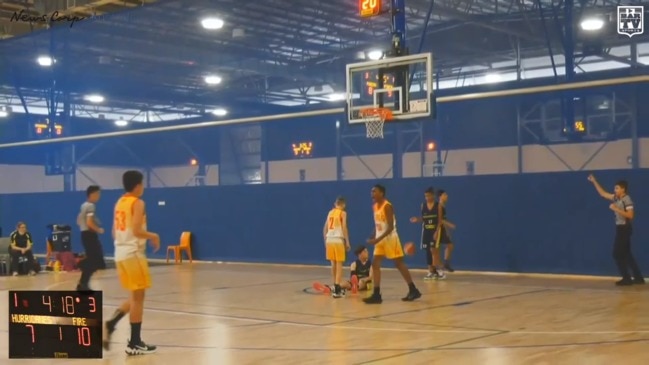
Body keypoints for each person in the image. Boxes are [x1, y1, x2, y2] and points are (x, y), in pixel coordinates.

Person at [103, 170, 160, 355]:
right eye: (142, 184)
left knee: (136, 297)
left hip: (120, 253)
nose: (143, 187)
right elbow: (136, 230)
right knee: (138, 298)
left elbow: (113, 232)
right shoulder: (138, 202)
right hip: (133, 253)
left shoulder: (120, 202)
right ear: (137, 185)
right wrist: (153, 235)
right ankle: (134, 342)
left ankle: (111, 324)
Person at [364, 184, 421, 304]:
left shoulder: (387, 206)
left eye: (374, 191)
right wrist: (373, 234)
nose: (372, 193)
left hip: (390, 238)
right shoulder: (375, 206)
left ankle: (413, 289)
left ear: (382, 193)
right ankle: (376, 294)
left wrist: (376, 240)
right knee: (375, 264)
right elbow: (378, 223)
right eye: (371, 191)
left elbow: (390, 227)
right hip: (380, 239)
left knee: (399, 264)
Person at [588, 174, 644, 286]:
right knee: (627, 254)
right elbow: (603, 194)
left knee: (617, 253)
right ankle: (638, 278)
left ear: (623, 189)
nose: (615, 190)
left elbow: (630, 215)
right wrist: (594, 181)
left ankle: (626, 278)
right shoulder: (616, 198)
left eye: (617, 188)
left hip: (625, 228)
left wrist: (616, 209)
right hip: (620, 228)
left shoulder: (626, 199)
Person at [76, 185, 106, 292]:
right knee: (96, 260)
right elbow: (89, 222)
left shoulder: (83, 205)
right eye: (98, 194)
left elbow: (78, 220)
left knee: (95, 260)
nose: (99, 196)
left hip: (84, 235)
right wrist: (99, 230)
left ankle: (82, 284)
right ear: (92, 194)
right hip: (90, 235)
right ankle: (80, 264)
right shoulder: (91, 206)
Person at [323, 196, 350, 298]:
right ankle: (337, 288)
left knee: (333, 264)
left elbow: (325, 228)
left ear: (335, 204)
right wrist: (347, 241)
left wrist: (325, 241)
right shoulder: (343, 213)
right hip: (338, 239)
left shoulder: (330, 213)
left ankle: (335, 284)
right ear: (343, 205)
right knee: (339, 264)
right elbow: (344, 227)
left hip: (329, 239)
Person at [409, 187, 439, 280]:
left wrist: (437, 231)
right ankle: (430, 271)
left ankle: (435, 270)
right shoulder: (423, 205)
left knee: (433, 250)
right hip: (426, 231)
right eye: (425, 196)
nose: (427, 198)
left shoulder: (438, 206)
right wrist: (417, 219)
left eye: (428, 196)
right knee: (428, 251)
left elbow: (440, 220)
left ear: (433, 195)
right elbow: (423, 218)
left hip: (434, 230)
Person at [432, 189, 456, 280]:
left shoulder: (442, 206)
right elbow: (440, 220)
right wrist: (450, 225)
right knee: (435, 250)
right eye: (445, 195)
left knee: (450, 245)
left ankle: (445, 263)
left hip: (442, 229)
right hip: (438, 229)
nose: (447, 196)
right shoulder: (439, 206)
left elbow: (442, 220)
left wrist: (447, 231)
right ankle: (437, 269)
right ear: (440, 196)